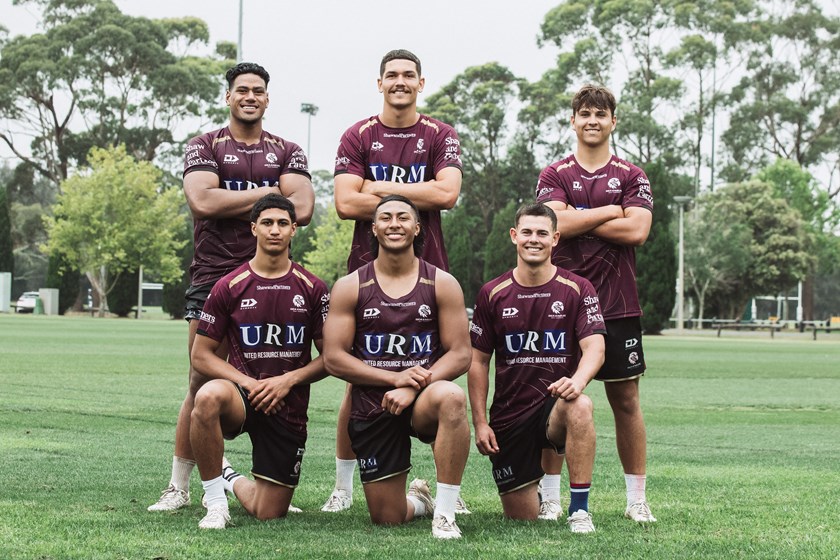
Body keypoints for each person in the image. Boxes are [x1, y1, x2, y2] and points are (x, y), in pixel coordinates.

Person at [148, 62, 314, 513]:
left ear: (267, 98)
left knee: (269, 375)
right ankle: (180, 486)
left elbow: (302, 208)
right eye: (242, 90)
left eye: (258, 91)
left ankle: (263, 478)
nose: (250, 97)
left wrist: (238, 201)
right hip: (213, 279)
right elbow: (202, 200)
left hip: (273, 279)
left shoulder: (289, 150)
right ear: (228, 97)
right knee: (200, 379)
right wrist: (270, 197)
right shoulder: (204, 145)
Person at [323, 48, 464, 514]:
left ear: (421, 83)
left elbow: (447, 194)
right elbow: (345, 203)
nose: (400, 81)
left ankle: (449, 495)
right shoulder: (357, 135)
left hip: (428, 268)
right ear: (378, 83)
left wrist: (376, 194)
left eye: (408, 75)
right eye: (392, 75)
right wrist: (406, 200)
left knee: (438, 374)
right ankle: (342, 488)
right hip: (368, 267)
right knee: (353, 383)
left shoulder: (440, 134)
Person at [535, 84, 656, 523]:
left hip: (618, 306)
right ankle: (549, 498)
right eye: (584, 113)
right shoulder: (554, 173)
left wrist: (579, 217)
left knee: (626, 402)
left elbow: (637, 231)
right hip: (560, 307)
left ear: (612, 121)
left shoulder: (631, 174)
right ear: (573, 120)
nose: (592, 120)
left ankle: (636, 499)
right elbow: (553, 225)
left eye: (600, 114)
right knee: (554, 401)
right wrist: (610, 211)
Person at [322, 195, 471, 539]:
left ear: (417, 228)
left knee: (451, 396)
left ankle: (446, 515)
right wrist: (394, 379)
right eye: (385, 218)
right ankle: (421, 501)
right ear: (373, 229)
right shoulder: (350, 286)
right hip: (373, 404)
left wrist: (412, 386)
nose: (394, 224)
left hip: (423, 397)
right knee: (387, 517)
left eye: (403, 218)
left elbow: (461, 353)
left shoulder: (442, 283)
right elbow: (334, 358)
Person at [189, 194, 329, 529]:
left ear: (294, 229)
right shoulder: (229, 286)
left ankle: (227, 475)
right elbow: (200, 355)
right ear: (254, 228)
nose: (275, 230)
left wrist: (288, 380)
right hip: (243, 397)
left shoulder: (313, 288)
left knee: (269, 512)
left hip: (287, 404)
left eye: (283, 223)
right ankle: (216, 503)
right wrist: (247, 382)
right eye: (267, 223)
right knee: (207, 396)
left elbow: (332, 359)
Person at [468, 203, 605, 533]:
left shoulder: (577, 288)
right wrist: (481, 422)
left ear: (555, 239)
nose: (534, 239)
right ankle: (540, 494)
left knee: (581, 406)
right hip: (509, 417)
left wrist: (578, 380)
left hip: (552, 405)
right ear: (514, 236)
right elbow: (478, 361)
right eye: (527, 232)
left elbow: (595, 347)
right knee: (521, 518)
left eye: (542, 233)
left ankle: (580, 511)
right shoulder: (492, 293)